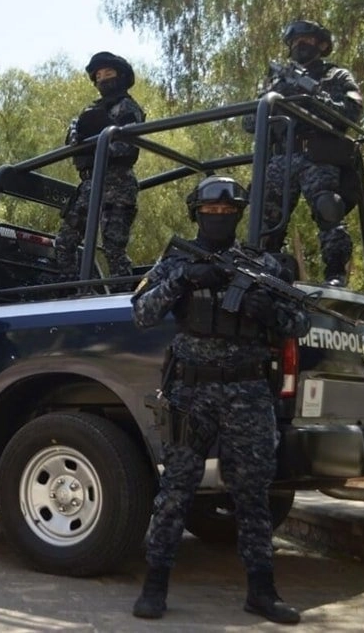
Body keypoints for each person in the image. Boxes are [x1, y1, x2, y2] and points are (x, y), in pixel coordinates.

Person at [130, 176, 311, 625]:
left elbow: (300, 320)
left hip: (248, 393)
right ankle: (154, 586)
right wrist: (186, 280)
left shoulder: (261, 264)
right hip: (191, 391)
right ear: (196, 214)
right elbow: (141, 311)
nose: (218, 219)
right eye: (209, 213)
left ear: (238, 214)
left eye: (226, 213)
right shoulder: (177, 260)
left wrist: (267, 311)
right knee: (176, 491)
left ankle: (262, 591)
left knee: (253, 497)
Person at [249, 20, 364, 286]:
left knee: (328, 209)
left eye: (308, 39)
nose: (301, 44)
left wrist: (310, 95)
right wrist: (276, 95)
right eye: (295, 41)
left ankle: (335, 273)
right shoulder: (276, 82)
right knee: (266, 218)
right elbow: (250, 123)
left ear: (322, 44)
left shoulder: (337, 77)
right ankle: (266, 271)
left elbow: (350, 114)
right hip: (281, 158)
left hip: (318, 155)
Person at [55, 51, 146, 279]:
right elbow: (73, 137)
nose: (103, 78)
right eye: (99, 75)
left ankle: (121, 297)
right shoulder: (90, 110)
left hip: (118, 184)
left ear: (121, 75)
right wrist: (77, 134)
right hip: (89, 183)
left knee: (114, 248)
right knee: (64, 243)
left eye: (109, 72)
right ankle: (72, 294)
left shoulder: (128, 107)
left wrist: (98, 143)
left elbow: (127, 147)